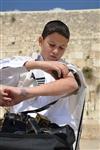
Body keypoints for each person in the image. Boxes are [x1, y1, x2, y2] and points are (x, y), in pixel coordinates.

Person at [0, 20, 86, 150]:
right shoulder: (22, 65)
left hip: (52, 138)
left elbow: (71, 84)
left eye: (61, 47)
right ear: (41, 41)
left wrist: (25, 93)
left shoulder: (67, 68)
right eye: (51, 45)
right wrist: (39, 65)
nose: (56, 51)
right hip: (19, 136)